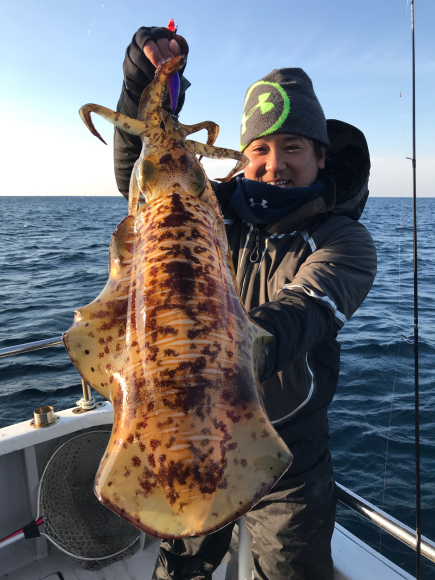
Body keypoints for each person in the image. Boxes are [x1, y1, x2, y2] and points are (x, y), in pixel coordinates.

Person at [113, 26, 377, 580]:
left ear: (321, 156)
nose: (274, 164)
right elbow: (146, 178)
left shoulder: (344, 241)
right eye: (259, 148)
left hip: (289, 457)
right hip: (192, 429)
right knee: (178, 567)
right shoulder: (214, 211)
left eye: (293, 148)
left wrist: (211, 354)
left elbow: (304, 312)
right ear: (241, 155)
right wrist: (144, 77)